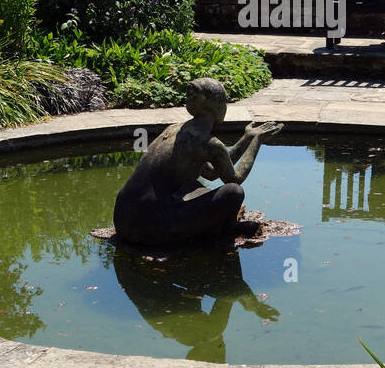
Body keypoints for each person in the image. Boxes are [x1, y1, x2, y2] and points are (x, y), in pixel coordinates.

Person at [113, 77, 282, 245]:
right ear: (217, 106)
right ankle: (227, 228)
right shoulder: (208, 142)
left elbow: (211, 173)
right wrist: (256, 142)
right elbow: (234, 179)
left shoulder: (175, 128)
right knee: (233, 192)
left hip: (122, 218)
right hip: (149, 228)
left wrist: (247, 137)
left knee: (194, 187)